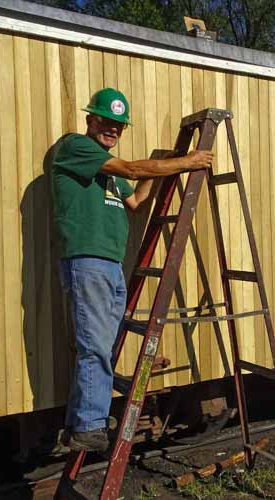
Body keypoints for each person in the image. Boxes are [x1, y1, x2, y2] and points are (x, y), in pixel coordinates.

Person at [50, 88, 213, 452]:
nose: (112, 129)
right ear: (90, 119)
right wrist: (184, 162)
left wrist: (160, 164)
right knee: (93, 346)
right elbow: (132, 168)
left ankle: (84, 423)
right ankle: (87, 427)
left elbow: (137, 200)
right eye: (106, 121)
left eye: (118, 126)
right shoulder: (75, 147)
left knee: (101, 347)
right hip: (87, 260)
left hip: (110, 264)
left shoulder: (107, 172)